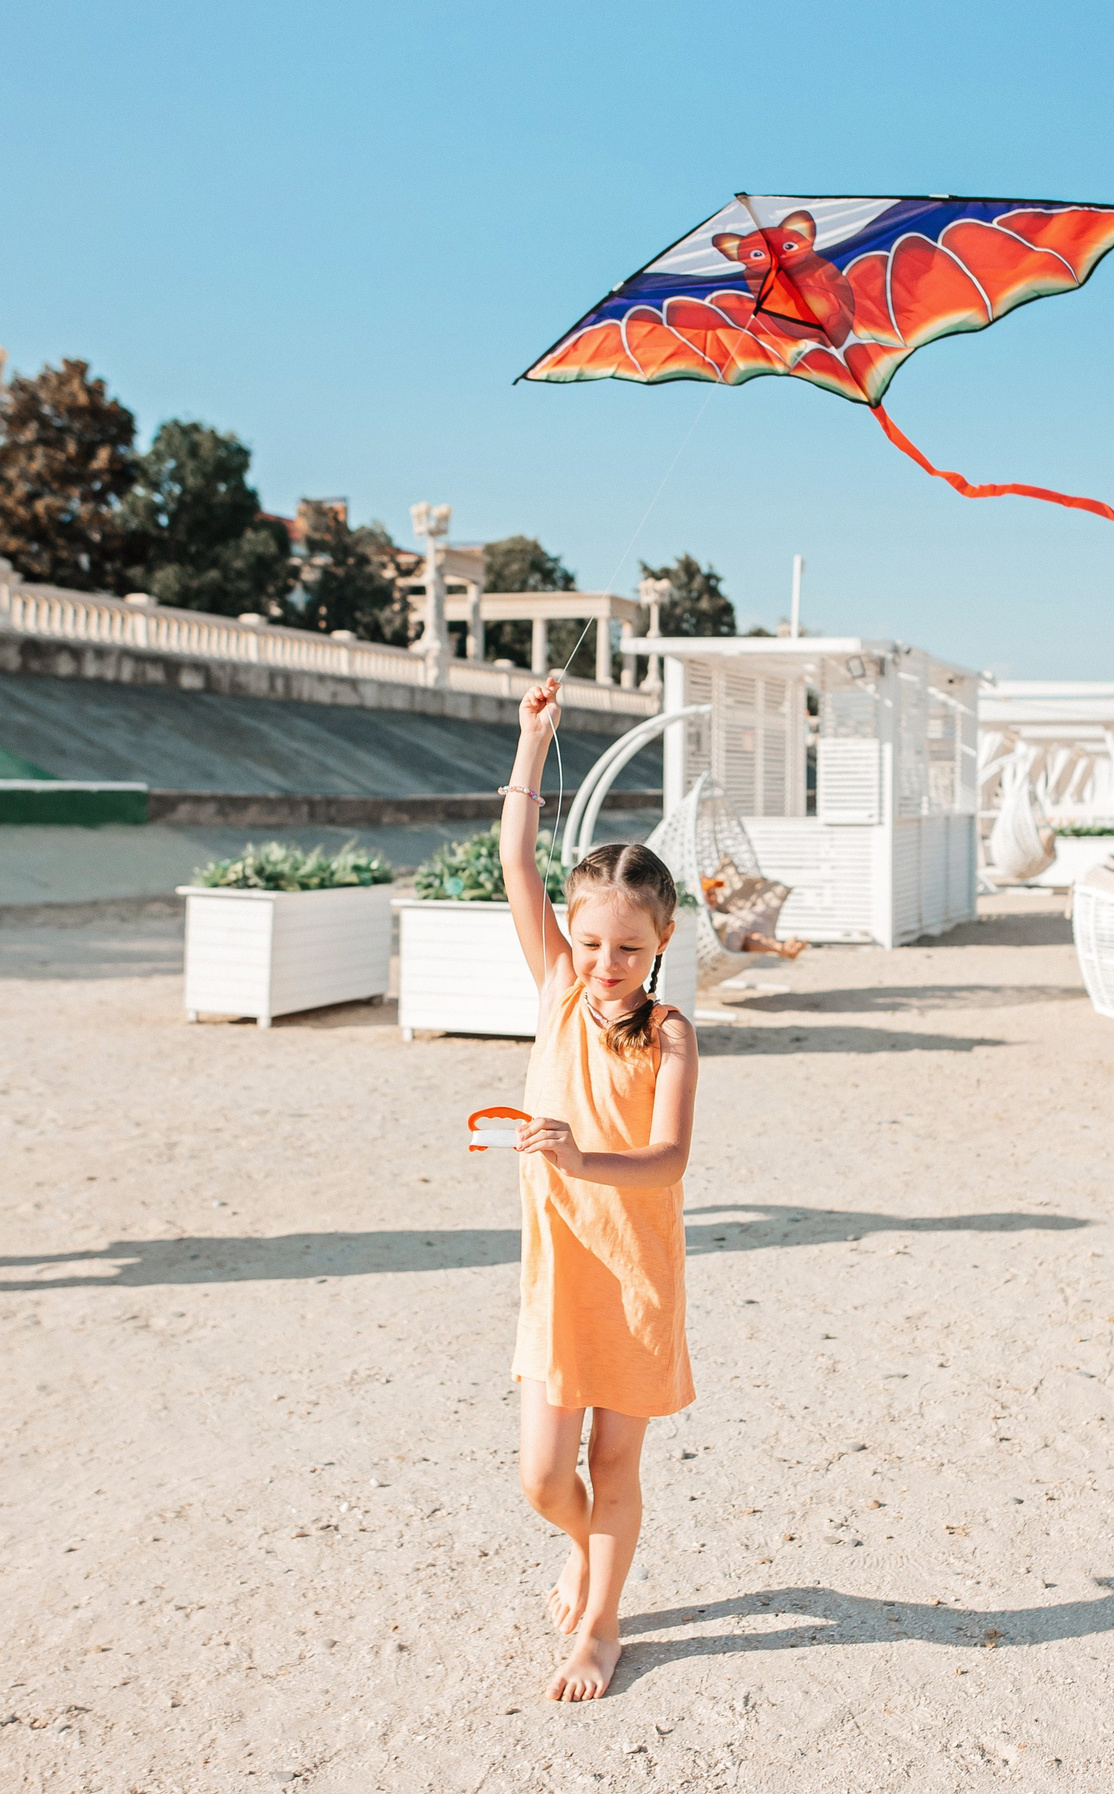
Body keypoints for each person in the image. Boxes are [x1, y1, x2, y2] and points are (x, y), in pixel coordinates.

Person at [497, 674, 699, 1702]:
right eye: (590, 941)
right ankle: (581, 1551)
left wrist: (583, 1160)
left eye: (628, 946)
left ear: (661, 942)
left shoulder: (667, 1033)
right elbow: (514, 861)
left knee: (613, 1470)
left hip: (632, 1276)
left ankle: (603, 1626)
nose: (605, 961)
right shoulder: (556, 993)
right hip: (557, 1274)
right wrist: (534, 741)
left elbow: (667, 1162)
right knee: (543, 1478)